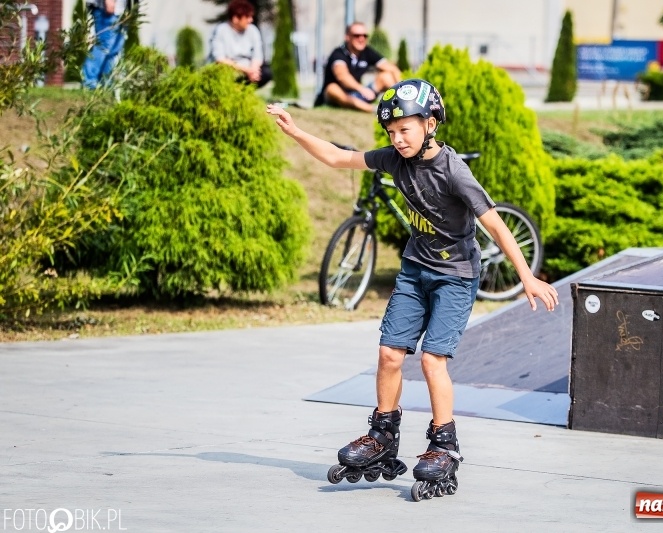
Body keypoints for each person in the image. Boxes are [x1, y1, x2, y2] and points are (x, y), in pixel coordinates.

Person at [267, 78, 559, 499]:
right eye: (391, 132)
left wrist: (526, 276)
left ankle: (445, 445)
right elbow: (337, 157)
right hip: (414, 270)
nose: (397, 139)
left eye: (406, 129)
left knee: (432, 360)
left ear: (431, 124)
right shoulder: (393, 161)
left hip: (456, 276)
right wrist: (295, 131)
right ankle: (383, 435)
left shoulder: (453, 170)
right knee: (388, 354)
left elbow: (493, 222)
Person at [315, 21, 401, 112]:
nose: (361, 39)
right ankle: (375, 110)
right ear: (347, 37)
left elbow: (391, 68)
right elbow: (342, 77)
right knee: (332, 88)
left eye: (365, 36)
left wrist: (404, 89)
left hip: (358, 95)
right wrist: (362, 89)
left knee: (386, 77)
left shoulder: (367, 51)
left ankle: (401, 106)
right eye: (357, 35)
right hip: (339, 97)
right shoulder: (338, 53)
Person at [208, 0, 272, 88]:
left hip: (248, 68)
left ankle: (245, 93)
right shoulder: (221, 31)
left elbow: (257, 56)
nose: (251, 20)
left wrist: (253, 70)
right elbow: (220, 59)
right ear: (235, 19)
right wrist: (247, 70)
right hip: (229, 69)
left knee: (266, 73)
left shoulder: (253, 30)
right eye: (247, 17)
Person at [82, 0, 127, 90]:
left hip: (122, 11)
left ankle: (106, 84)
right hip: (108, 9)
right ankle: (89, 83)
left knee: (114, 50)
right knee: (103, 46)